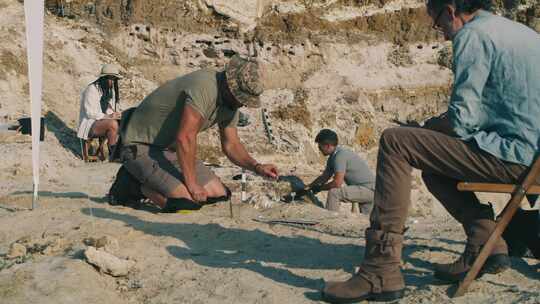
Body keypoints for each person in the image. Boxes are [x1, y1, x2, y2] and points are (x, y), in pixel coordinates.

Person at [322, 0, 540, 302]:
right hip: (532, 156)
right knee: (435, 170)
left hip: (516, 157)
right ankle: (485, 240)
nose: (442, 34)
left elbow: (463, 121)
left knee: (396, 140)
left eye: (438, 23)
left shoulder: (473, 35)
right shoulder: (521, 33)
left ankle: (379, 269)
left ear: (450, 10)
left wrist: (427, 129)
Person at [116, 55, 279, 212]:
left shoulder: (231, 103)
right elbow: (185, 137)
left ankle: (158, 183)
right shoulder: (204, 87)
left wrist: (257, 167)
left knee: (219, 195)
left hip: (170, 150)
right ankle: (132, 185)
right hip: (140, 146)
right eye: (241, 98)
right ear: (230, 86)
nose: (242, 104)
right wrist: (192, 184)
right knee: (186, 203)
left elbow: (231, 144)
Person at [308, 129, 375, 214]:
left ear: (328, 146)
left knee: (334, 193)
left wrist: (320, 188)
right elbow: (324, 177)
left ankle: (330, 222)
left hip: (369, 190)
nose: (319, 149)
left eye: (320, 146)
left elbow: (337, 183)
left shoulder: (340, 156)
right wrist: (309, 187)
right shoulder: (334, 156)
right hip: (370, 190)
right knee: (367, 222)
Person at [77, 64, 122, 151]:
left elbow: (106, 108)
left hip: (101, 122)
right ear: (104, 78)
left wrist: (114, 114)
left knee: (123, 122)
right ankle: (113, 152)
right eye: (110, 78)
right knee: (112, 124)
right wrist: (108, 117)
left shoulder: (106, 91)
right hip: (89, 124)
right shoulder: (92, 89)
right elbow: (90, 113)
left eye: (114, 79)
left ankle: (121, 151)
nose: (112, 81)